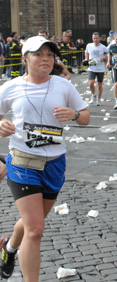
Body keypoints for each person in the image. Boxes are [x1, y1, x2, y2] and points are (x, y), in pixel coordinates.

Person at [0, 36, 89, 281]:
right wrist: (1, 124)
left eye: (49, 55)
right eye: (38, 54)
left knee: (33, 221)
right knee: (36, 229)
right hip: (22, 162)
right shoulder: (10, 87)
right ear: (25, 59)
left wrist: (74, 114)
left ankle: (8, 247)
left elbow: (85, 117)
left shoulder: (63, 86)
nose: (46, 59)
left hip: (54, 163)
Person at [84, 32, 109, 106]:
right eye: (94, 38)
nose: (95, 40)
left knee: (99, 84)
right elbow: (87, 52)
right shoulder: (89, 45)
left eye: (97, 38)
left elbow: (108, 56)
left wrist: (104, 59)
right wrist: (86, 58)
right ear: (92, 38)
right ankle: (93, 95)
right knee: (91, 83)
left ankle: (98, 99)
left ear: (99, 39)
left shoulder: (103, 47)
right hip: (92, 67)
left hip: (100, 68)